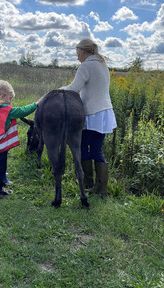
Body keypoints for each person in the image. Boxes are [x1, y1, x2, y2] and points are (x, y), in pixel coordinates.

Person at [60, 38, 117, 196]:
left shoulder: (86, 66)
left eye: (77, 53)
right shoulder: (103, 66)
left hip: (92, 113)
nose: (77, 56)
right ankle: (101, 189)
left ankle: (87, 184)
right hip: (105, 113)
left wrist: (57, 91)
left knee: (83, 147)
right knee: (97, 149)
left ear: (84, 51)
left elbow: (73, 88)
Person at [0, 80, 41, 197]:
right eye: (10, 98)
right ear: (3, 96)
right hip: (0, 146)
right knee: (0, 166)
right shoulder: (7, 111)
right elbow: (22, 111)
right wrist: (35, 104)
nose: (10, 102)